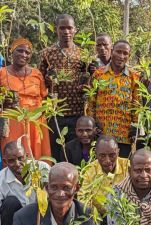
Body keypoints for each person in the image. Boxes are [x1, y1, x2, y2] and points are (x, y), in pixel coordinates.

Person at [39, 14, 86, 162]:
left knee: (73, 153)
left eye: (69, 28)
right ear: (56, 30)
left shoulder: (82, 53)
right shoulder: (47, 53)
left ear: (75, 30)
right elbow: (39, 80)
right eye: (62, 28)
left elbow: (88, 79)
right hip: (55, 113)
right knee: (55, 152)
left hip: (77, 112)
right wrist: (48, 80)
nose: (66, 32)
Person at [10, 162, 94, 225]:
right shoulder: (24, 217)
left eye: (66, 188)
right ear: (47, 188)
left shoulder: (88, 217)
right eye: (54, 187)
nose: (60, 194)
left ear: (76, 188)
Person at [87, 40, 141, 158]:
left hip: (124, 134)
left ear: (129, 56)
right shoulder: (98, 74)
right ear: (112, 52)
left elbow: (137, 105)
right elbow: (91, 102)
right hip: (102, 133)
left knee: (122, 170)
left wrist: (135, 128)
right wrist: (93, 126)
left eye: (125, 53)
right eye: (118, 52)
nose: (121, 56)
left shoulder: (134, 76)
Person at [0, 38, 51, 159]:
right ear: (12, 52)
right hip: (12, 119)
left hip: (36, 119)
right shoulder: (2, 73)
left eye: (27, 53)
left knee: (37, 154)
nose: (24, 54)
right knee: (14, 152)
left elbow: (44, 96)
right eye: (20, 51)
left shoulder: (36, 73)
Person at [78, 135, 129, 225]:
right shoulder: (90, 170)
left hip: (125, 216)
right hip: (100, 218)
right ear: (96, 154)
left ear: (118, 152)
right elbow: (82, 198)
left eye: (112, 155)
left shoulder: (128, 166)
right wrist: (95, 213)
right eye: (102, 156)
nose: (107, 160)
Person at [0, 141, 50, 225]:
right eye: (11, 160)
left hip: (40, 221)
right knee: (10, 202)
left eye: (20, 158)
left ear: (26, 156)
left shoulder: (42, 168)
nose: (17, 164)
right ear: (5, 162)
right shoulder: (1, 178)